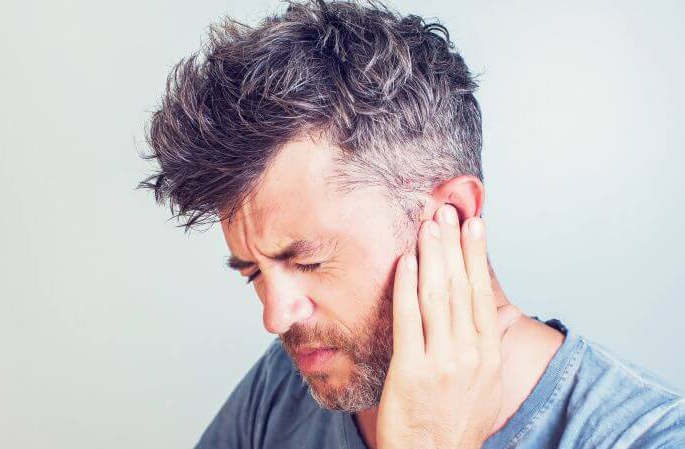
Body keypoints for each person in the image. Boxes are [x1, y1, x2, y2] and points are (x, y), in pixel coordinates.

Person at [138, 0, 685, 447]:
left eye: (307, 260)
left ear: (450, 215)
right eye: (252, 272)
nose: (275, 316)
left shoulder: (648, 437)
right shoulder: (283, 390)